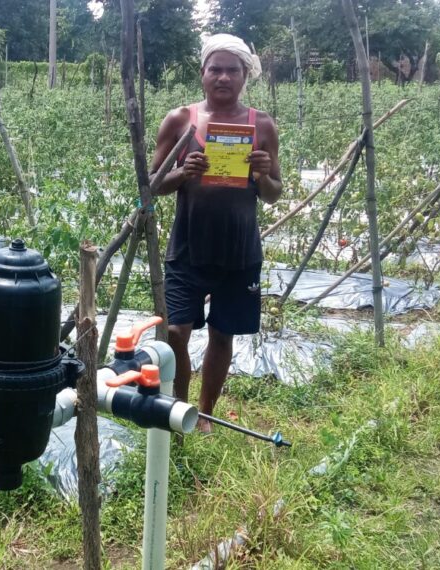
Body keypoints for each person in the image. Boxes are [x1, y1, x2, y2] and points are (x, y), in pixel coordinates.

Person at [150, 34, 282, 433]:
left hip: (239, 251)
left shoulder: (261, 125)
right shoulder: (180, 120)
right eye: (216, 69)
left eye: (233, 70)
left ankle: (205, 412)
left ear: (245, 76)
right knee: (175, 331)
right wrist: (182, 173)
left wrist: (261, 174)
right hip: (188, 247)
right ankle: (181, 405)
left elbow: (275, 193)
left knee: (223, 334)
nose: (223, 77)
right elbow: (152, 182)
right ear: (203, 73)